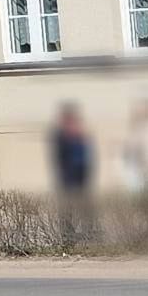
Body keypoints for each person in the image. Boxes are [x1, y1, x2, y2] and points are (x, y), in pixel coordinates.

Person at [50, 102, 96, 245]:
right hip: (67, 178)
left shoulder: (80, 135)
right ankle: (67, 236)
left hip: (82, 177)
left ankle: (88, 233)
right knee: (67, 208)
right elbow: (59, 158)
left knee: (85, 206)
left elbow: (87, 156)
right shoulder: (60, 136)